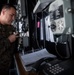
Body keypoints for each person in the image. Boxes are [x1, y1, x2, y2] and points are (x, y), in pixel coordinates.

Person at [0, 4, 18, 75]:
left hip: (8, 67)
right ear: (3, 12)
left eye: (14, 16)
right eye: (11, 15)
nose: (13, 18)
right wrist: (9, 40)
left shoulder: (10, 27)